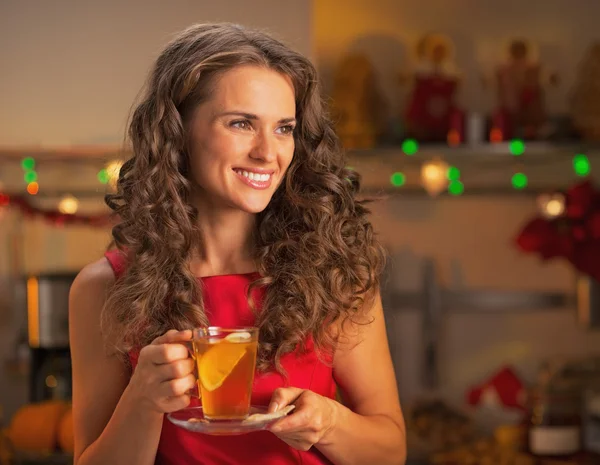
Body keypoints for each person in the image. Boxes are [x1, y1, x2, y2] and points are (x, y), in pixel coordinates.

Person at [69, 22, 406, 465]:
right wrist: (142, 401)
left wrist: (329, 422)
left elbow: (390, 451)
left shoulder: (336, 272)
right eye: (242, 123)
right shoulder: (104, 288)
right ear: (178, 132)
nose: (269, 153)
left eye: (284, 128)